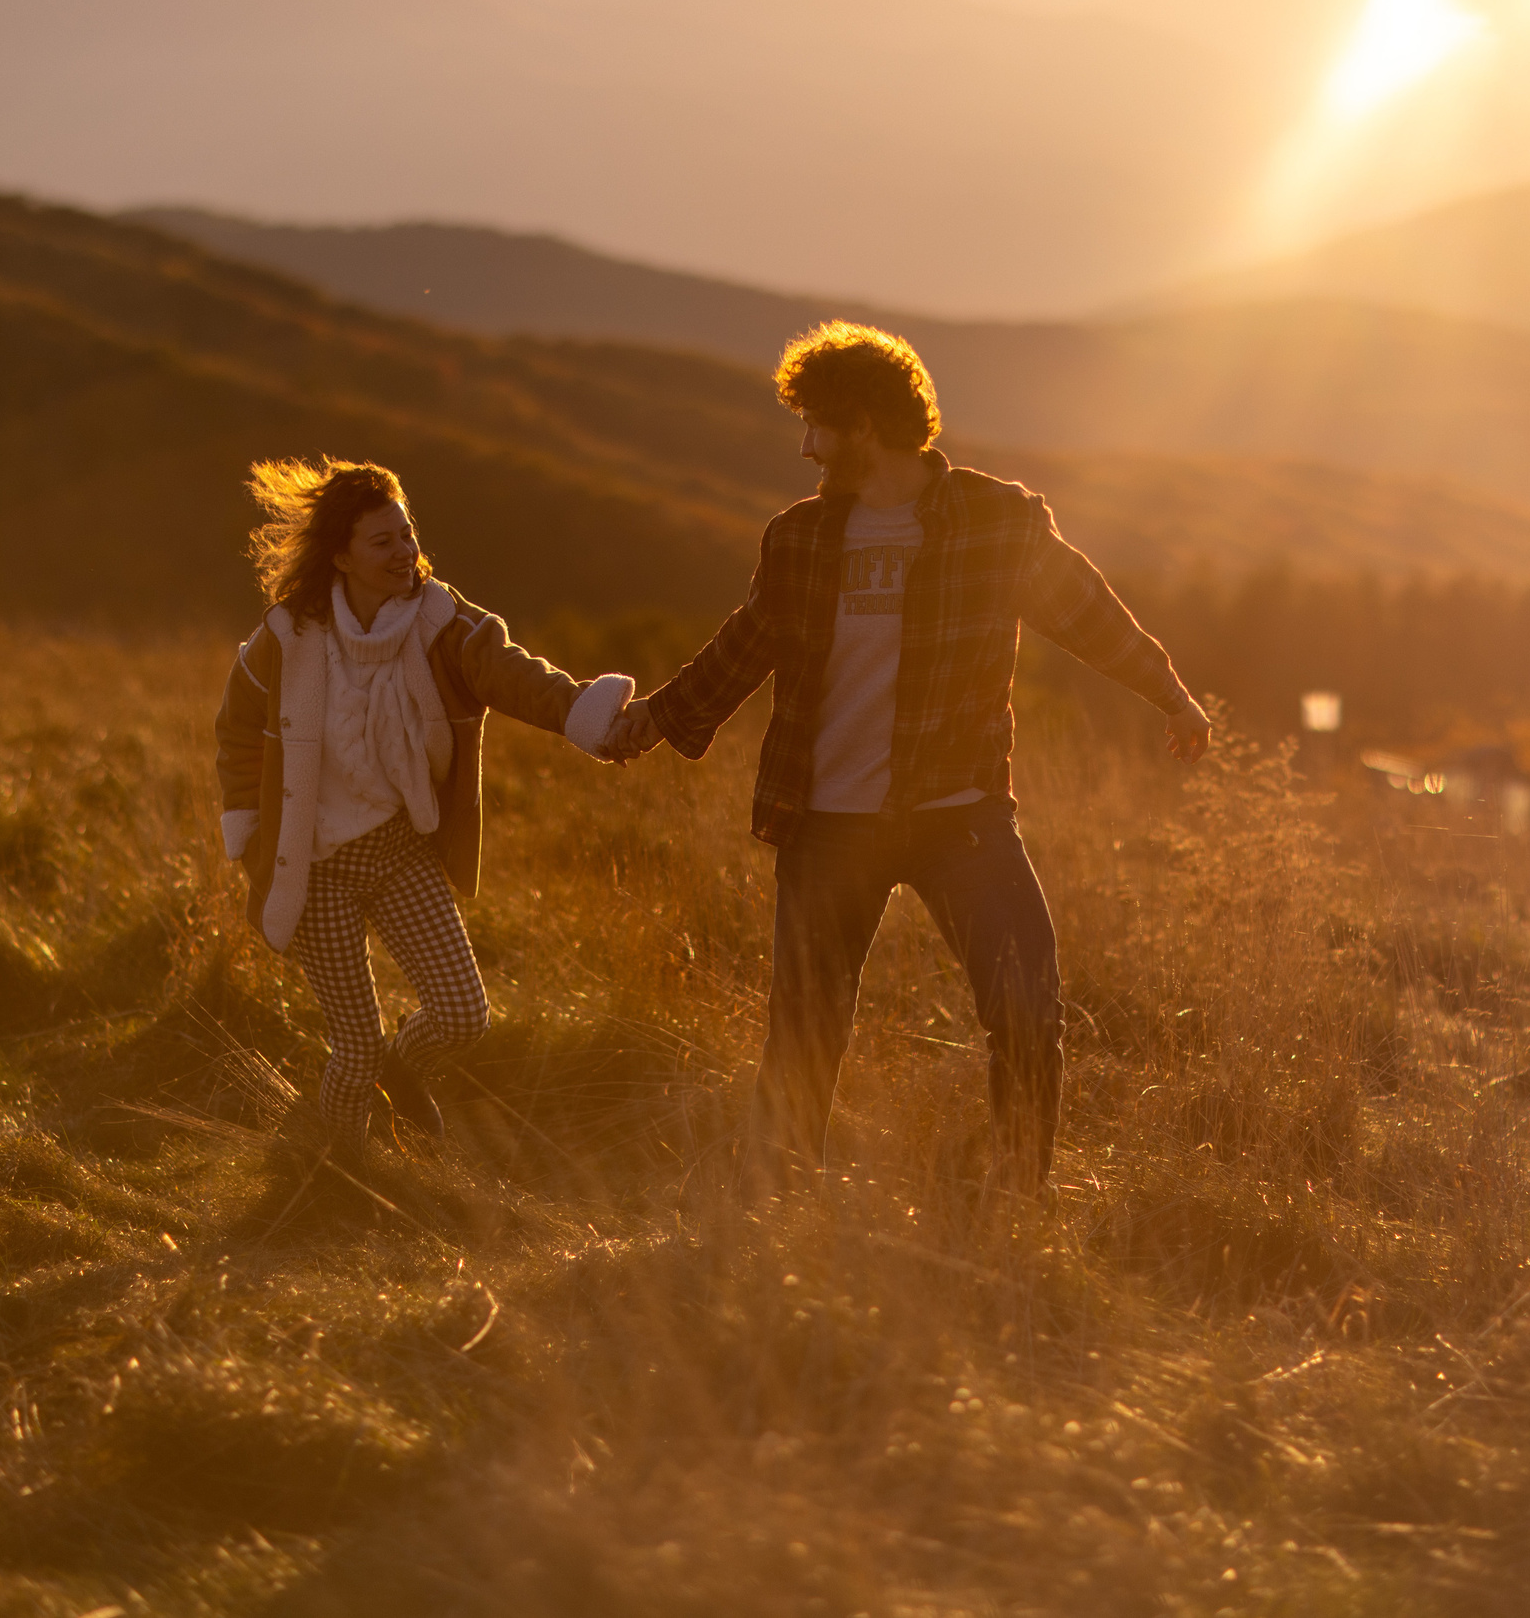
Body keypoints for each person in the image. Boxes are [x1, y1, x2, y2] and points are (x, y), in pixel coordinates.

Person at [605, 322, 1210, 1199]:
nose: (805, 447)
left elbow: (1088, 613)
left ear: (866, 424)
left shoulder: (995, 520)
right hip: (825, 823)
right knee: (805, 1032)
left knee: (1026, 1010)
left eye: (817, 425)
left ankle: (1013, 1202)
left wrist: (1170, 692)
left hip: (957, 817)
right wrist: (655, 719)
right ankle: (775, 1214)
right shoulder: (801, 538)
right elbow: (744, 647)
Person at [215, 458, 635, 1159]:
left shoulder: (437, 621)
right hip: (314, 869)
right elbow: (236, 732)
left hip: (397, 849)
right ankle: (337, 1167)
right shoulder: (287, 640)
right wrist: (249, 834)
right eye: (382, 542)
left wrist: (581, 712)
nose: (404, 553)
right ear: (341, 556)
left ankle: (403, 1072)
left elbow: (507, 670)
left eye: (407, 534)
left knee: (464, 1015)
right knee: (352, 1048)